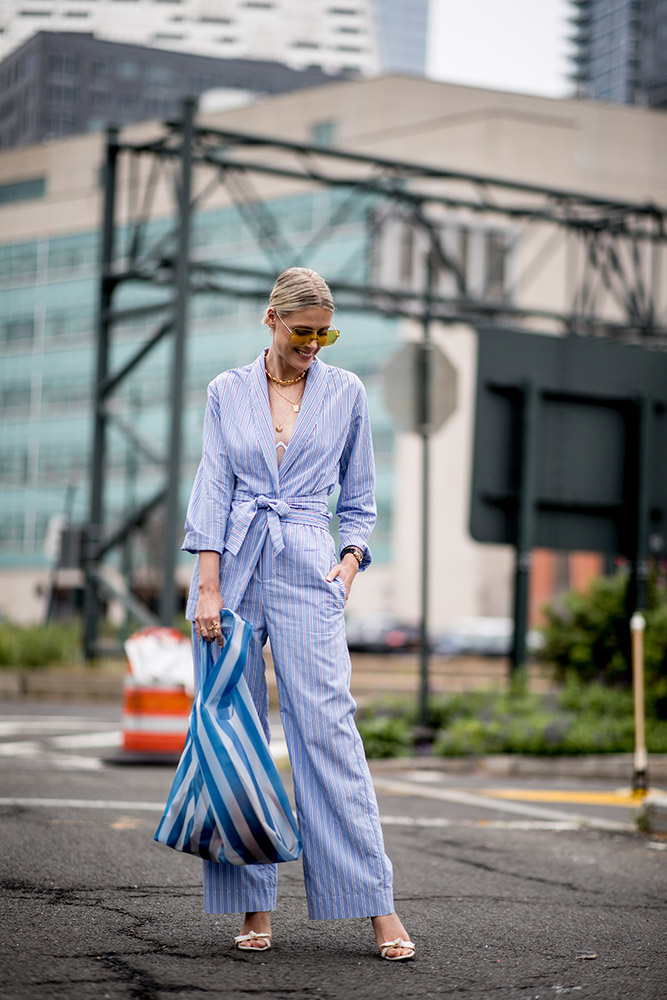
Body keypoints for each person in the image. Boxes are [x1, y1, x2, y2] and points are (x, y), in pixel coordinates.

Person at [182, 266, 414, 961]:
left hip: (311, 568)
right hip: (234, 566)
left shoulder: (347, 392)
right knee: (237, 733)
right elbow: (213, 487)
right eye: (302, 332)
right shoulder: (228, 390)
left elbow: (362, 498)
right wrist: (208, 589)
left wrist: (347, 565)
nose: (313, 345)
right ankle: (255, 906)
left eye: (324, 333)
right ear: (271, 321)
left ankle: (375, 904)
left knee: (329, 733)